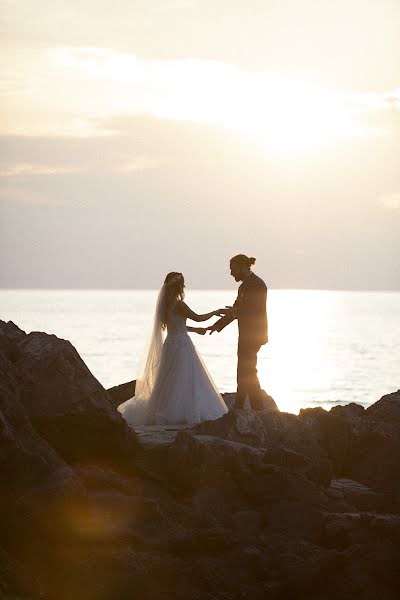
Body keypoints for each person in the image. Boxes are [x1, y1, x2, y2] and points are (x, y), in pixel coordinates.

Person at [118, 272, 228, 426]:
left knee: (170, 379)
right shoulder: (179, 304)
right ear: (179, 287)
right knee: (186, 378)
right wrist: (215, 312)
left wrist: (196, 331)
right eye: (183, 284)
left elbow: (176, 326)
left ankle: (165, 410)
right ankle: (182, 412)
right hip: (182, 345)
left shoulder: (164, 305)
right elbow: (198, 317)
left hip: (170, 344)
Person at [209, 254, 268, 410]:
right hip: (246, 335)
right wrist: (217, 325)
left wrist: (235, 312)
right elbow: (237, 309)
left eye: (233, 269)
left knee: (246, 371)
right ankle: (252, 408)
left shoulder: (257, 284)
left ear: (242, 267)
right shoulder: (244, 286)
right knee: (246, 371)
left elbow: (252, 310)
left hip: (253, 335)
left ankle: (242, 407)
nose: (231, 273)